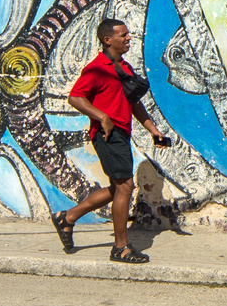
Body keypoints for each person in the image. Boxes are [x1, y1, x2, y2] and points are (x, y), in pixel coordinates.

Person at [52, 18, 170, 263]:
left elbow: (133, 103)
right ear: (108, 40)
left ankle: (68, 217)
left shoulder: (124, 68)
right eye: (123, 35)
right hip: (108, 134)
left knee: (118, 188)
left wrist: (152, 129)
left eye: (128, 34)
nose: (128, 38)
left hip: (122, 133)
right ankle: (121, 247)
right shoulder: (96, 68)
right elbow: (75, 97)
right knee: (125, 187)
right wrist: (102, 116)